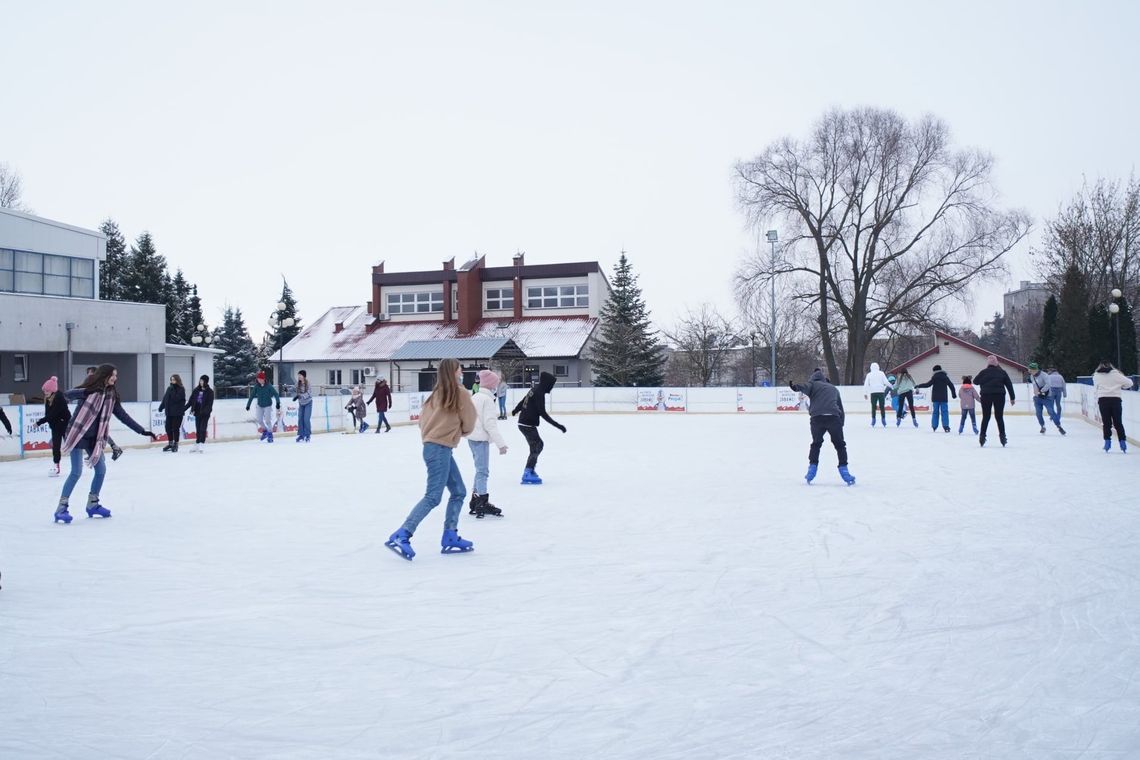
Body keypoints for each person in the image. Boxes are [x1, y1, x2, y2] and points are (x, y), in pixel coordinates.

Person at [385, 358, 477, 560]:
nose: (462, 371)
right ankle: (403, 533)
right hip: (440, 448)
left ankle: (450, 535)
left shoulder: (435, 395)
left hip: (433, 447)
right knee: (433, 496)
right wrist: (459, 432)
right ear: (453, 371)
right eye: (459, 368)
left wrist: (436, 436)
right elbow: (470, 420)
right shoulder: (459, 392)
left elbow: (422, 422)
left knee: (459, 491)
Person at [54, 364, 157, 524]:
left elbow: (123, 416)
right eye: (113, 375)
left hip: (95, 438)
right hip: (78, 433)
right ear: (104, 375)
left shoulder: (111, 395)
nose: (115, 378)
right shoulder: (90, 389)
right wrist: (85, 392)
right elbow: (65, 395)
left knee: (101, 470)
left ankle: (92, 504)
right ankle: (61, 508)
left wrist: (142, 431)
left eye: (116, 375)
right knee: (76, 472)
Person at [791, 369, 855, 485]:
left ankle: (812, 469)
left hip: (817, 418)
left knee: (816, 443)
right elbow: (840, 407)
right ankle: (844, 470)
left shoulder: (813, 384)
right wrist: (841, 423)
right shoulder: (833, 388)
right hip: (833, 418)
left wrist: (796, 387)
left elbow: (804, 386)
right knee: (840, 445)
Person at [511, 371, 566, 484]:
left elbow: (523, 400)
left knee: (536, 446)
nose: (552, 387)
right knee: (537, 445)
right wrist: (558, 426)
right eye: (551, 385)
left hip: (525, 423)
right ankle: (527, 472)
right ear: (547, 383)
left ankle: (530, 470)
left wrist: (516, 410)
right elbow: (543, 413)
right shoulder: (539, 393)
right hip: (527, 424)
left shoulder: (534, 389)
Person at [467, 369, 509, 518]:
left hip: (472, 438)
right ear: (491, 385)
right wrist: (501, 444)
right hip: (480, 439)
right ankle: (482, 502)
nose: (496, 387)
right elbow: (490, 424)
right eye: (495, 384)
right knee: (483, 471)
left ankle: (475, 499)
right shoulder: (487, 400)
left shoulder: (475, 397)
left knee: (479, 470)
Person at [83, 365, 124, 460]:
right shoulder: (91, 384)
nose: (89, 376)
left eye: (91, 373)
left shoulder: (102, 386)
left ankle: (101, 452)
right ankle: (112, 448)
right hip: (94, 415)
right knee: (98, 433)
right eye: (88, 374)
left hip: (99, 415)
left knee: (99, 433)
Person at [974, 355, 1016, 447]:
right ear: (997, 363)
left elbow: (975, 381)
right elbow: (1009, 385)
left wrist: (984, 380)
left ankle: (982, 437)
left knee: (986, 417)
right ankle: (1002, 437)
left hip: (986, 396)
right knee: (999, 417)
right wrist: (1012, 398)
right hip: (999, 396)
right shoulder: (1002, 372)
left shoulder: (983, 372)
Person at [1092, 359, 1133, 452]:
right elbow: (1130, 383)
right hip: (1115, 400)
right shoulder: (1116, 374)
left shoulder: (1096, 376)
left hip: (1103, 400)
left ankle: (1107, 443)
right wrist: (1122, 386)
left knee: (1106, 423)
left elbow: (1096, 388)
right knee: (1118, 422)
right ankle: (1122, 443)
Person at [36, 376, 72, 476]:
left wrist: (39, 422)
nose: (45, 392)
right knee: (56, 447)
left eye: (47, 390)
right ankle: (56, 466)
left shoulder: (59, 398)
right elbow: (48, 414)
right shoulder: (48, 398)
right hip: (56, 426)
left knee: (71, 445)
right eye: (44, 390)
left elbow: (53, 414)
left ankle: (78, 464)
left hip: (66, 425)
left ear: (52, 390)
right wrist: (45, 421)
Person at [916, 364, 957, 432]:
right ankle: (946, 426)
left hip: (935, 398)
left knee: (935, 412)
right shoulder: (945, 377)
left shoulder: (934, 377)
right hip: (944, 398)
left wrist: (919, 386)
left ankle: (934, 426)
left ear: (934, 371)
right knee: (944, 412)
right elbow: (951, 385)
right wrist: (954, 394)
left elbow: (928, 384)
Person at [1028, 362, 1064, 435]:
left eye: (1031, 370)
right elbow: (1034, 385)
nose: (1030, 372)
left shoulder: (1044, 375)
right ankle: (1042, 426)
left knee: (1051, 411)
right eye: (1029, 370)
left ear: (1035, 370)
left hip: (1047, 397)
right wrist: (1036, 394)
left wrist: (1041, 391)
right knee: (1038, 413)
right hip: (1037, 398)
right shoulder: (1032, 376)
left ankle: (1059, 426)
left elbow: (1048, 384)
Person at [246, 371, 281, 442]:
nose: (259, 380)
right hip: (260, 405)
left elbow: (276, 394)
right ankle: (265, 431)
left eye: (260, 379)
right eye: (258, 379)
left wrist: (278, 403)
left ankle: (270, 434)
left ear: (263, 379)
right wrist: (248, 405)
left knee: (268, 420)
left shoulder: (269, 386)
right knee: (259, 420)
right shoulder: (256, 386)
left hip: (268, 405)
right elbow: (252, 396)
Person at [185, 375, 215, 452]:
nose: (201, 382)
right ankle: (197, 443)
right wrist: (183, 409)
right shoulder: (196, 390)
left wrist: (205, 412)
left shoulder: (210, 392)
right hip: (197, 412)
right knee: (198, 429)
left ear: (206, 382)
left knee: (202, 428)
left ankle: (202, 443)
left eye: (202, 381)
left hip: (205, 414)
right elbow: (191, 401)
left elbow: (209, 404)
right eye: (200, 380)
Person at [158, 373, 186, 452]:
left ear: (177, 380)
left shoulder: (181, 389)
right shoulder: (169, 388)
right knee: (167, 428)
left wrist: (172, 389)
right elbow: (165, 399)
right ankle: (170, 443)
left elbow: (176, 398)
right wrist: (161, 407)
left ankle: (175, 444)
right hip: (169, 413)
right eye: (171, 379)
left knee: (175, 429)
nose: (172, 381)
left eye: (173, 380)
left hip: (177, 413)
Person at [862, 362, 892, 427]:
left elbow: (866, 384)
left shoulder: (869, 374)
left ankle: (873, 419)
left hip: (873, 392)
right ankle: (883, 419)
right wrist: (891, 386)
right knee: (882, 407)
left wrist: (865, 393)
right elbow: (886, 382)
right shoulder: (881, 373)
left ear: (871, 368)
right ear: (878, 367)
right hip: (881, 392)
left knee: (873, 407)